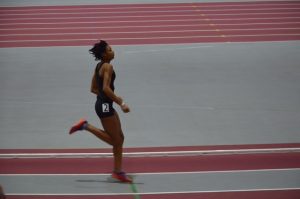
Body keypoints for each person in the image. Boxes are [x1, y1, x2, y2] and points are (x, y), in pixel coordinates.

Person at [69, 40, 132, 183]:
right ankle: (85, 126)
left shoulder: (98, 66)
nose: (113, 51)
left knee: (120, 139)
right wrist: (120, 102)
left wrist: (106, 99)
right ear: (104, 54)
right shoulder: (108, 67)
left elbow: (93, 88)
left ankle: (118, 171)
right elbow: (105, 88)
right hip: (105, 106)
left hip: (103, 104)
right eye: (110, 49)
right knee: (115, 141)